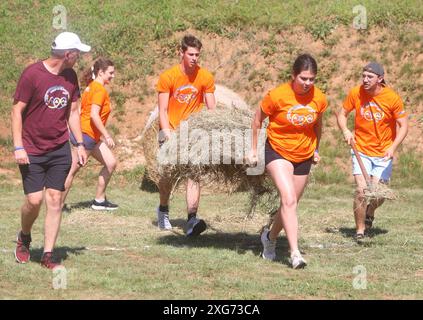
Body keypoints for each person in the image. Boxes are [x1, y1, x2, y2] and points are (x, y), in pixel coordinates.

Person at [11, 32, 90, 269]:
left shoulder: (70, 76)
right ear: (68, 54)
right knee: (34, 201)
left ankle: (47, 255)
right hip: (32, 148)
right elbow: (16, 111)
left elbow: (73, 112)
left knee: (54, 199)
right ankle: (24, 236)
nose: (80, 57)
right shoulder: (32, 75)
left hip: (59, 148)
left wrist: (79, 143)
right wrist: (18, 147)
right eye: (78, 53)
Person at [250, 54, 328, 269]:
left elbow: (318, 126)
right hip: (278, 152)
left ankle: (270, 237)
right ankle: (295, 254)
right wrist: (253, 150)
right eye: (303, 78)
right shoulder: (277, 96)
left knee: (290, 204)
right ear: (293, 76)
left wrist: (316, 149)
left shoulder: (319, 98)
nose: (307, 83)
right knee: (289, 199)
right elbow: (257, 120)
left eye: (311, 79)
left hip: (304, 154)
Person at [336, 62, 408, 240]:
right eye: (363, 76)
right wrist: (346, 131)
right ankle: (360, 230)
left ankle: (370, 210)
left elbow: (404, 125)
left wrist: (393, 147)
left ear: (380, 79)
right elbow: (342, 114)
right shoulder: (356, 93)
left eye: (370, 77)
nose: (365, 80)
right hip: (360, 149)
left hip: (383, 153)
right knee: (361, 191)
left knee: (378, 194)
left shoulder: (392, 98)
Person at [156, 34, 216, 236]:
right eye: (190, 54)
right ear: (181, 53)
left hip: (194, 134)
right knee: (168, 176)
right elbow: (162, 110)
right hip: (170, 129)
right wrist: (167, 133)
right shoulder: (168, 77)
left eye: (197, 54)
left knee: (194, 174)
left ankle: (191, 219)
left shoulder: (205, 77)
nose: (194, 58)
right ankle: (163, 210)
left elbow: (211, 109)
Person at [62, 58, 118, 211]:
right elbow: (94, 115)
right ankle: (57, 205)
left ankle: (99, 201)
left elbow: (81, 110)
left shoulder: (91, 87)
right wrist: (106, 135)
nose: (113, 76)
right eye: (111, 73)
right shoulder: (99, 90)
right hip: (86, 136)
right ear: (101, 72)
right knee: (72, 170)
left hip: (89, 135)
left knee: (111, 163)